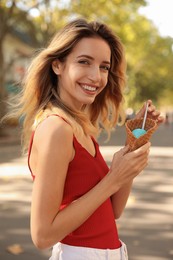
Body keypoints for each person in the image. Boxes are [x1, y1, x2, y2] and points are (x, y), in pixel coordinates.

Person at [11, 19, 164, 259]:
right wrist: (112, 179)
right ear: (57, 65)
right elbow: (42, 235)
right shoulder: (56, 129)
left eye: (104, 67)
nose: (96, 76)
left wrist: (136, 139)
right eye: (84, 62)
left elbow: (113, 210)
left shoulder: (79, 128)